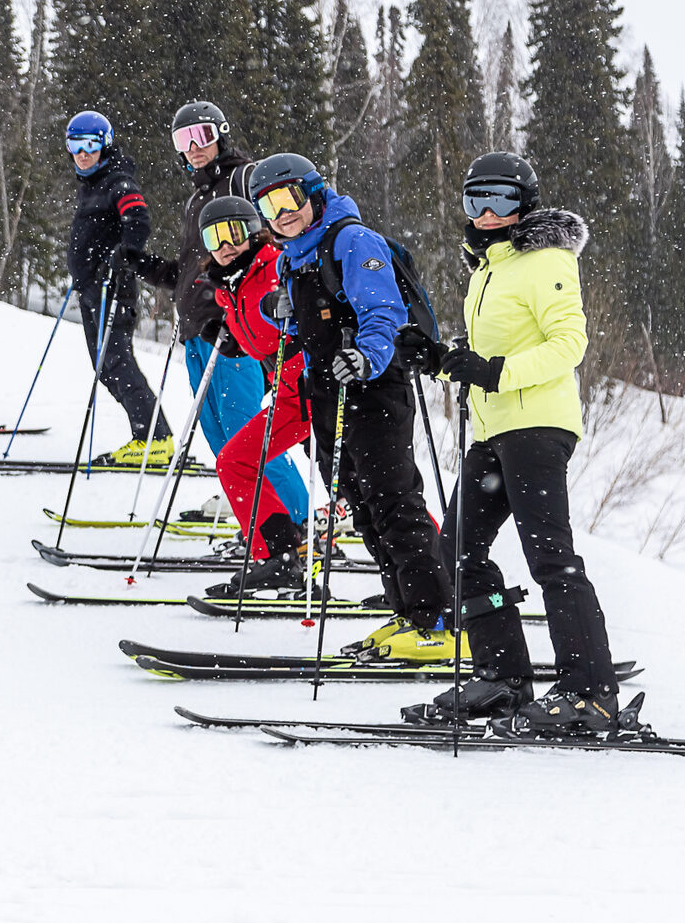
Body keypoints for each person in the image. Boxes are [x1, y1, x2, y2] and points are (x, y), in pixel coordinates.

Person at [399, 152, 621, 735]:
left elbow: (568, 342)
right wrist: (443, 359)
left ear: (525, 202)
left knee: (551, 557)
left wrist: (493, 372)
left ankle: (590, 696)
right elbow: (484, 354)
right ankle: (503, 679)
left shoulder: (546, 258)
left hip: (537, 426)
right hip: (493, 430)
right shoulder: (486, 268)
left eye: (500, 198)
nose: (489, 212)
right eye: (477, 200)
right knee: (458, 552)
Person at [246, 152, 446, 638]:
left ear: (314, 193)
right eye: (268, 206)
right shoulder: (296, 258)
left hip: (373, 389)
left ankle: (435, 617)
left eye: (289, 197)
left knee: (394, 502)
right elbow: (312, 324)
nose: (282, 213)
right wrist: (282, 314)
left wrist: (366, 356)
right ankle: (406, 613)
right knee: (362, 507)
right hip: (328, 392)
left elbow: (383, 312)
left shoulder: (352, 241)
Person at [124, 102, 307, 528]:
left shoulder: (243, 181)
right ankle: (264, 530)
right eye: (183, 141)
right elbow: (199, 272)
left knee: (251, 438)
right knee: (222, 440)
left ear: (221, 134)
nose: (193, 148)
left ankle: (297, 522)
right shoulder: (197, 200)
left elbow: (273, 244)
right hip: (197, 332)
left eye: (201, 136)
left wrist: (260, 305)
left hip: (234, 335)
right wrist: (150, 268)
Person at [191, 196, 316, 592]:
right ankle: (278, 555)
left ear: (253, 231)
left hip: (314, 390)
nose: (226, 245)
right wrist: (234, 342)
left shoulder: (273, 268)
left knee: (369, 483)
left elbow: (298, 317)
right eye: (216, 237)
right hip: (290, 397)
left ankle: (431, 567)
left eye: (235, 233)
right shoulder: (232, 285)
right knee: (236, 461)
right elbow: (261, 336)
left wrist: (291, 311)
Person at [64, 110, 173, 464]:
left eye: (90, 145)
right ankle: (152, 436)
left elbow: (138, 220)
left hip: (111, 287)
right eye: (74, 145)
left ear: (104, 145)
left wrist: (123, 256)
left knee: (116, 361)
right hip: (92, 288)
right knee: (106, 365)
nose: (82, 153)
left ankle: (155, 439)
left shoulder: (118, 182)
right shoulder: (93, 185)